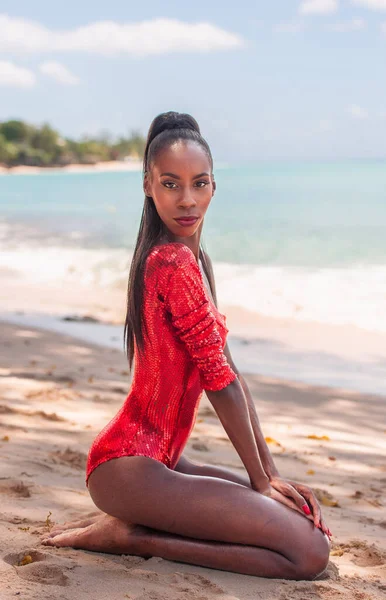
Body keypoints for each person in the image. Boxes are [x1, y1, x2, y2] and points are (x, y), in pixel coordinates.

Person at [41, 111, 331, 580]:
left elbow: (230, 373)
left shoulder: (197, 262)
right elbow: (221, 385)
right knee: (309, 554)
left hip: (161, 460)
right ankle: (128, 535)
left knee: (302, 527)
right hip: (128, 466)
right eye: (171, 184)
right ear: (148, 186)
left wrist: (270, 475)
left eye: (200, 183)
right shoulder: (169, 262)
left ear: (215, 186)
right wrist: (259, 479)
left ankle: (132, 524)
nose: (187, 199)